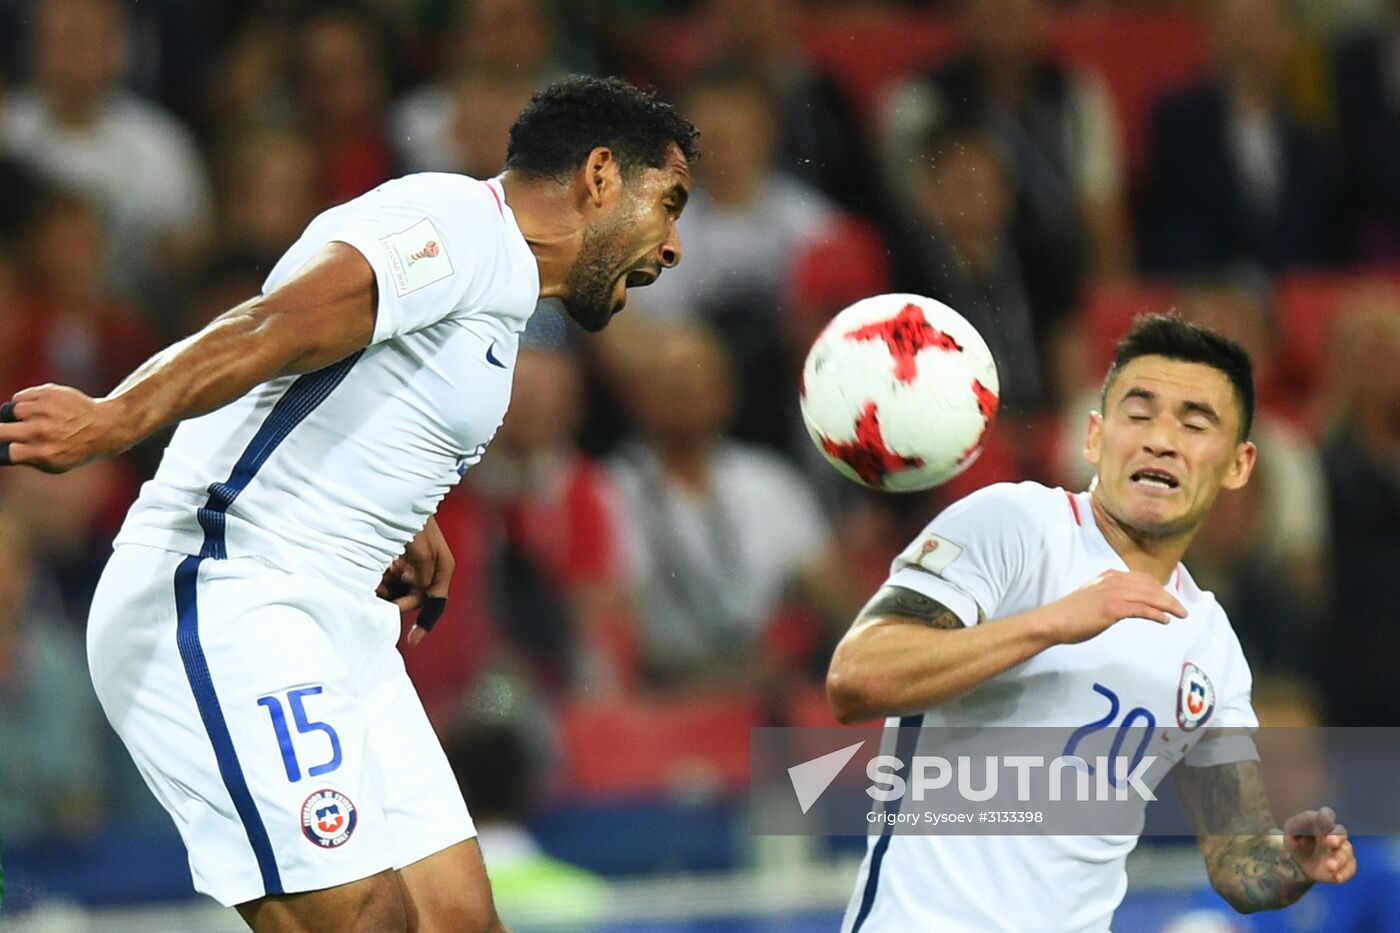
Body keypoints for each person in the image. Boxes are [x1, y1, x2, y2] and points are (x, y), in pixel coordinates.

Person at [0, 75, 697, 933]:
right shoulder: (456, 226)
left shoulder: (498, 284)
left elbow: (348, 385)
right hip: (227, 596)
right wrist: (115, 415)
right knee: (366, 921)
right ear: (598, 175)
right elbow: (276, 324)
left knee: (459, 920)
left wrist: (402, 511)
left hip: (339, 618)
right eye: (668, 204)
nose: (672, 247)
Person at [826, 315, 1356, 932]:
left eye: (1193, 422)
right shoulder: (1013, 526)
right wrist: (1051, 623)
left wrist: (1294, 864)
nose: (1161, 439)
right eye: (1139, 413)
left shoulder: (1211, 647)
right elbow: (855, 677)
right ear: (1095, 438)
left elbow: (1237, 858)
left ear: (1239, 465)